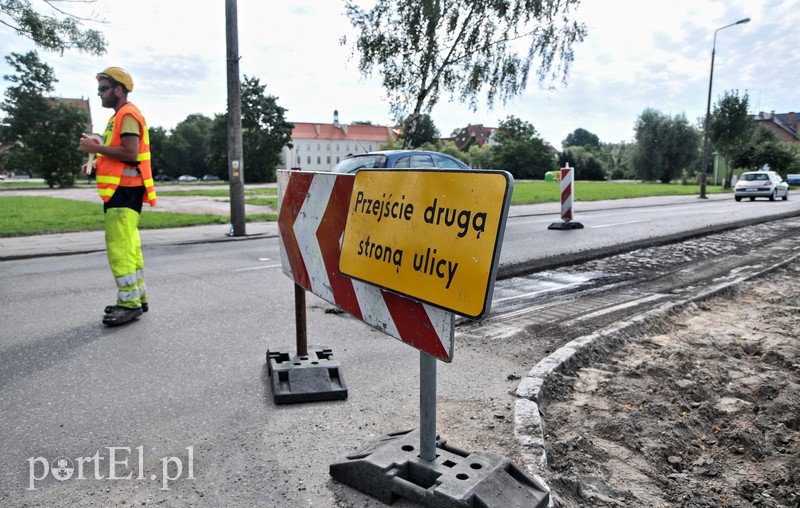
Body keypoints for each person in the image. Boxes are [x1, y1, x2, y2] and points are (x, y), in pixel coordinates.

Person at [79, 67, 157, 326]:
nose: (99, 93)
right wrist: (99, 161)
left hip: (124, 192)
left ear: (119, 90)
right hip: (125, 190)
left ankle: (128, 304)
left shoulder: (127, 115)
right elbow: (122, 155)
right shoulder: (120, 116)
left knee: (120, 248)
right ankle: (138, 297)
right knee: (130, 247)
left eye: (103, 88)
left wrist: (96, 148)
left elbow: (131, 153)